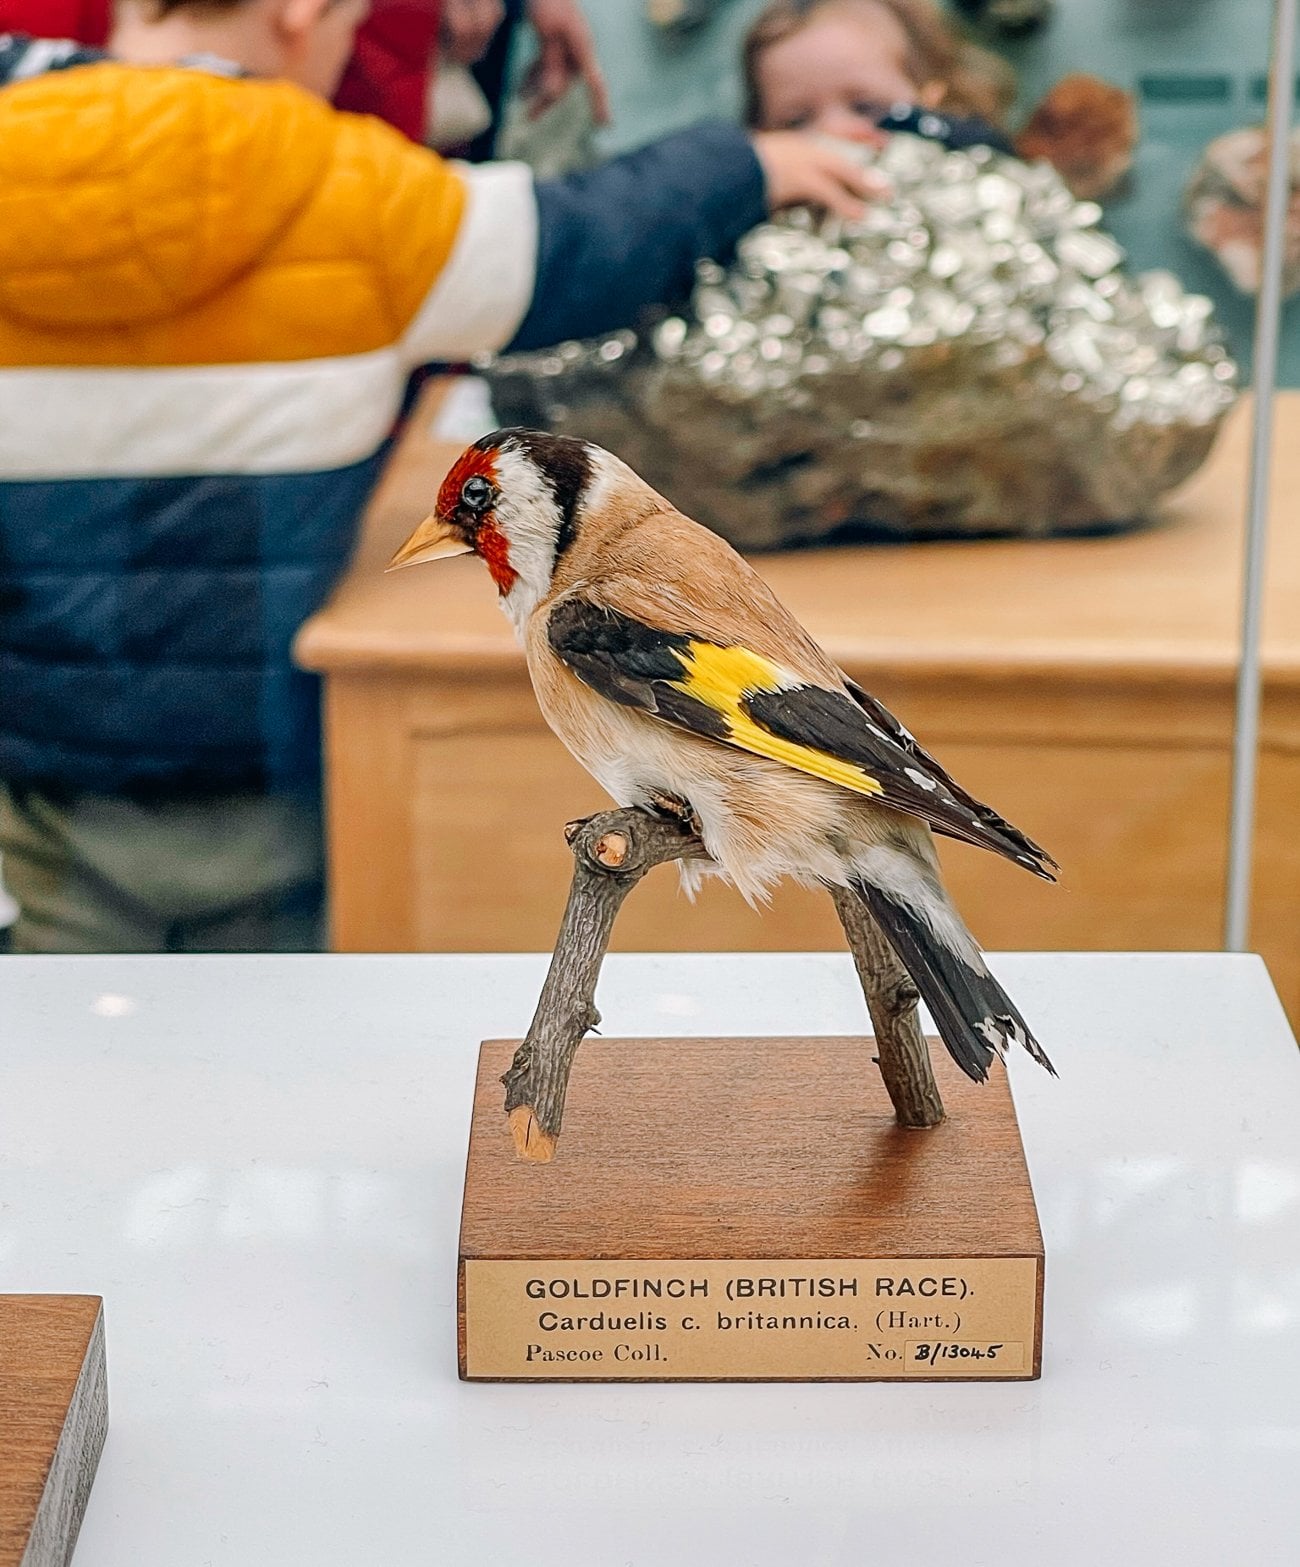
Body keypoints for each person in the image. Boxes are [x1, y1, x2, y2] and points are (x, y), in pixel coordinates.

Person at [0, 0, 880, 954]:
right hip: (275, 770)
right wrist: (751, 163)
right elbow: (583, 240)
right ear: (302, 14)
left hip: (37, 797)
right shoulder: (358, 192)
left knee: (55, 1057)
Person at [742, 0, 1016, 149]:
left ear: (934, 101)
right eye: (796, 122)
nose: (834, 131)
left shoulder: (970, 153)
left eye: (865, 107)